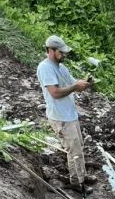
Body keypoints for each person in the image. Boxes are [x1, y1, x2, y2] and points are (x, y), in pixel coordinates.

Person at [37, 35, 91, 189]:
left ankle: (81, 176)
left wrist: (84, 83)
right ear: (51, 50)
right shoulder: (45, 67)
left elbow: (72, 84)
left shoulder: (62, 67)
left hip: (70, 114)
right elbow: (54, 92)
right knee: (73, 151)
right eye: (61, 52)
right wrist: (75, 87)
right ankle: (76, 182)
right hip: (60, 117)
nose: (64, 55)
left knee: (78, 147)